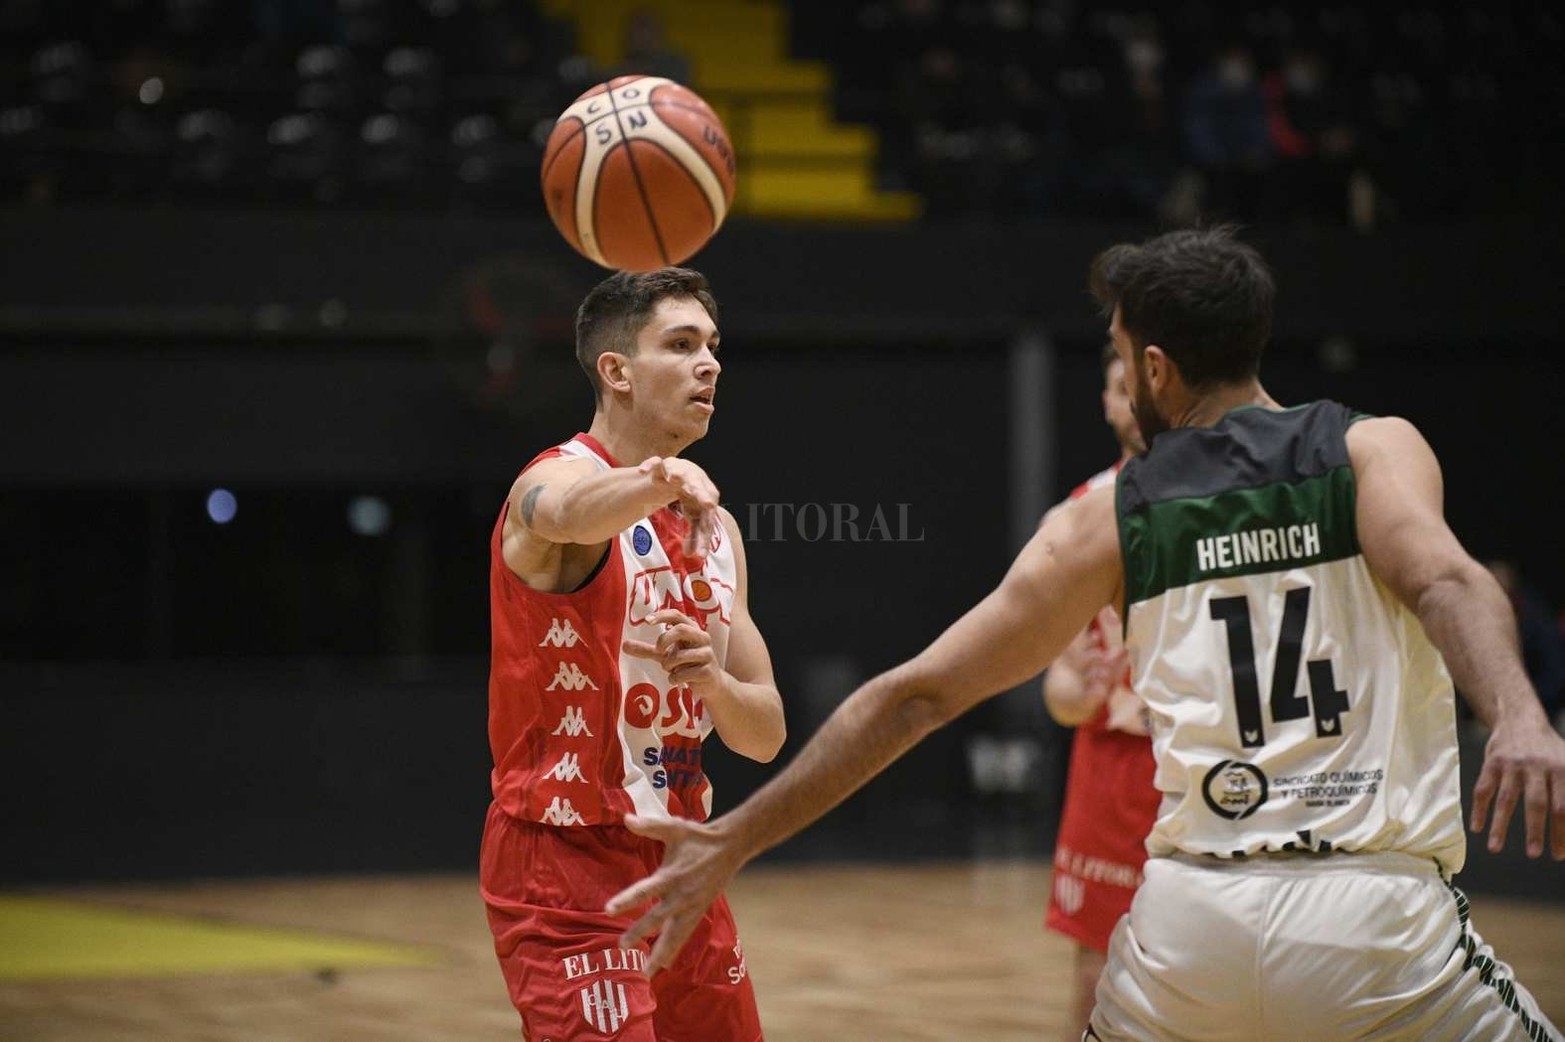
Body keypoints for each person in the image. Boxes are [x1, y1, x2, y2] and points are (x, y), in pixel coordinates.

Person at [607, 228, 1565, 1042]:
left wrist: (736, 836)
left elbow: (917, 695)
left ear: (1153, 367)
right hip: (1376, 922)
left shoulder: (1107, 516)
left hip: (1194, 927)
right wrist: (1519, 718)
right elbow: (1446, 579)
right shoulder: (1369, 450)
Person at [481, 267, 784, 1042]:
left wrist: (713, 682)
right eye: (681, 345)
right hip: (563, 863)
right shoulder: (551, 480)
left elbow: (764, 734)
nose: (709, 364)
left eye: (712, 346)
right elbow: (569, 512)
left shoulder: (717, 530)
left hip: (683, 860)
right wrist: (653, 481)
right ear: (615, 371)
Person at [1042, 343, 1157, 1042]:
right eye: (1121, 386)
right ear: (1108, 404)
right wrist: (1077, 694)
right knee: (1096, 973)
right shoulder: (1076, 517)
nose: (1137, 397)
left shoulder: (1238, 501)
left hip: (1215, 761)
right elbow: (1058, 684)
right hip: (1115, 761)